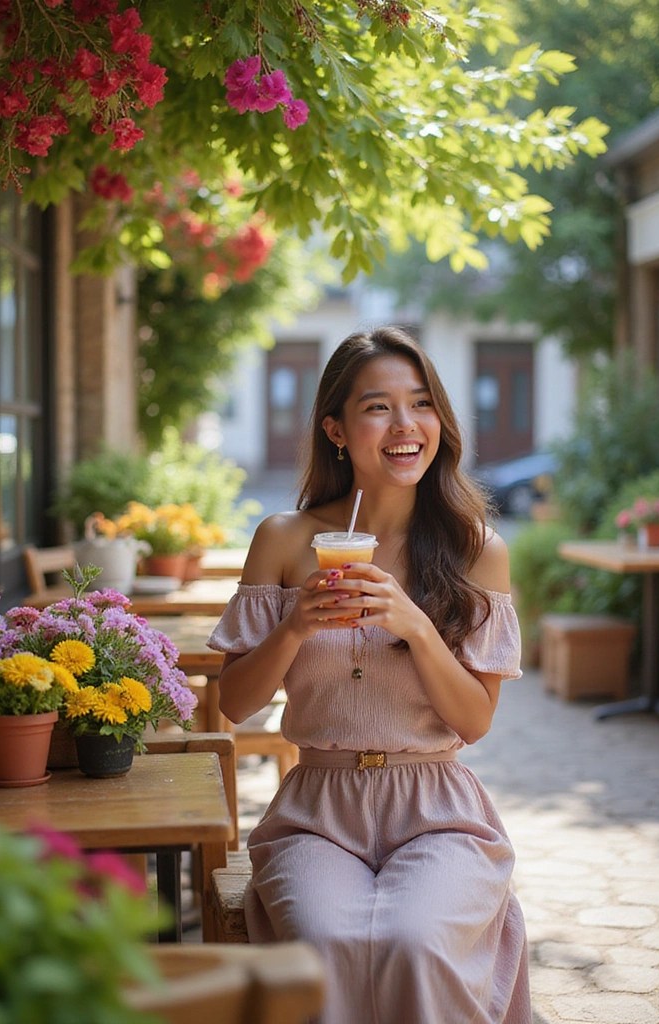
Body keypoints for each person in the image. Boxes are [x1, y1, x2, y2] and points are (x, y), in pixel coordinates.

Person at [208, 326, 532, 1024]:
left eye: (421, 404)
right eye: (378, 407)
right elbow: (233, 704)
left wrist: (413, 624)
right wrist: (296, 625)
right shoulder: (286, 540)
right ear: (336, 429)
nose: (405, 424)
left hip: (438, 811)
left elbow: (474, 722)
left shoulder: (478, 552)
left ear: (440, 422)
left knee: (416, 943)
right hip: (317, 810)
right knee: (326, 942)